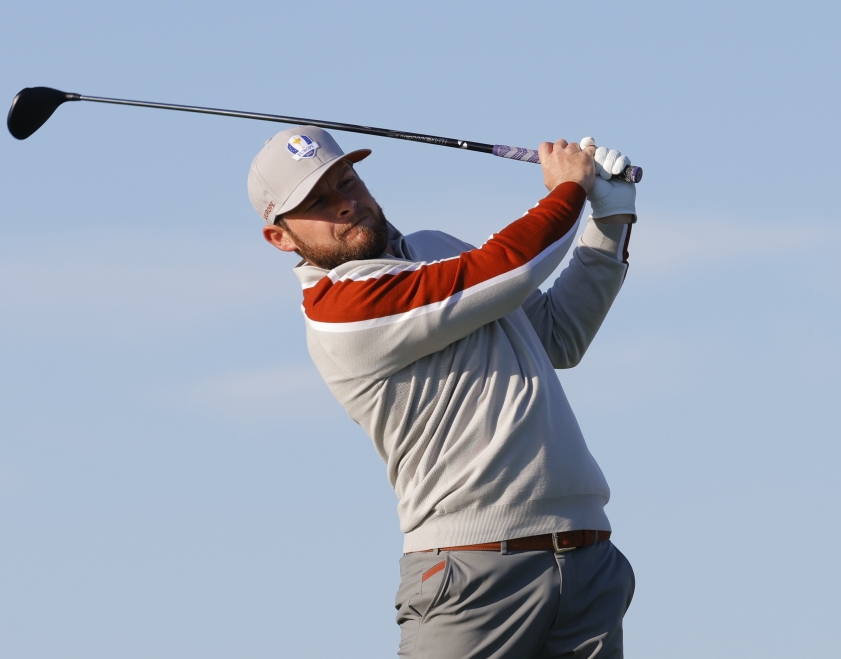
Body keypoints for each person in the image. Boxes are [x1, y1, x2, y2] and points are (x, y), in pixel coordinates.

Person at [248, 125, 638, 659]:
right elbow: (509, 267)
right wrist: (568, 189)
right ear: (281, 238)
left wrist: (610, 220)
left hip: (587, 563)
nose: (344, 203)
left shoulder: (437, 248)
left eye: (347, 181)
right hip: (472, 572)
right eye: (317, 202)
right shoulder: (339, 310)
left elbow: (559, 335)